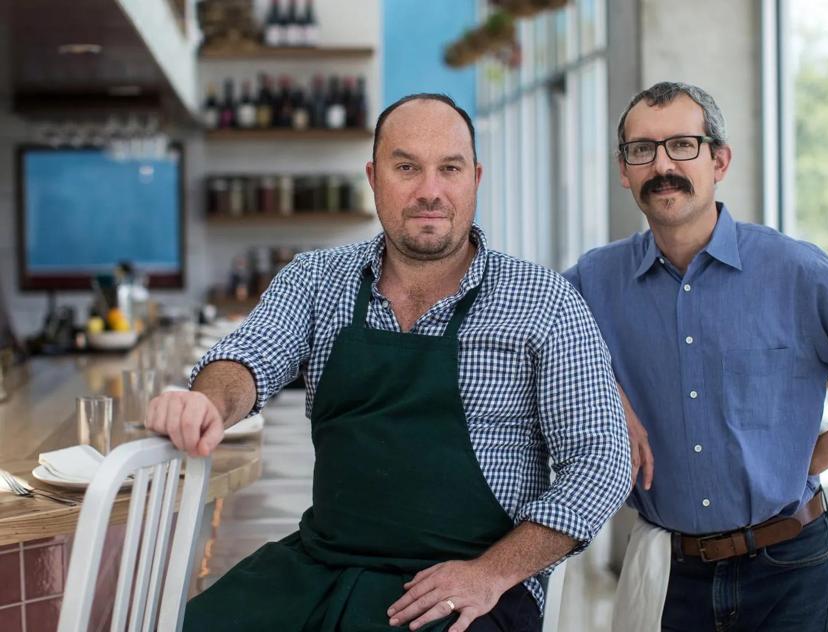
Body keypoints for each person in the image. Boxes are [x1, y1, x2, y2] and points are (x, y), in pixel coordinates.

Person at [146, 93, 632, 632]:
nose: (430, 191)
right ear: (374, 178)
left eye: (449, 168)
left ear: (476, 177)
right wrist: (209, 400)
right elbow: (248, 355)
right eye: (407, 168)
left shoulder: (543, 301)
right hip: (320, 568)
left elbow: (601, 464)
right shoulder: (316, 280)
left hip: (463, 591)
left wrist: (492, 573)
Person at [563, 81, 828, 631]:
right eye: (641, 150)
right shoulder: (592, 282)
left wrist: (808, 459)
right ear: (623, 170)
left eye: (682, 145)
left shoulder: (795, 272)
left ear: (719, 160)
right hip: (670, 573)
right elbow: (528, 352)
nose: (661, 165)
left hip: (788, 568)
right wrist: (612, 397)